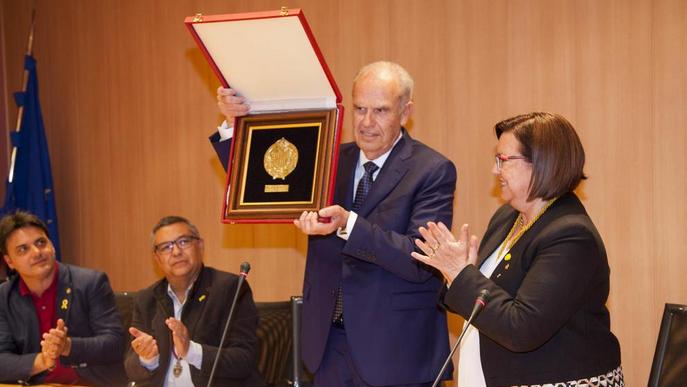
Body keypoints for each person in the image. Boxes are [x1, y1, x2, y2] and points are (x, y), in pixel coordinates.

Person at [215, 61, 456, 386]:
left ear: (405, 111)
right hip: (327, 346)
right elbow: (258, 180)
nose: (367, 122)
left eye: (381, 111)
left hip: (396, 350)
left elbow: (420, 259)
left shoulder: (432, 170)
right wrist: (234, 124)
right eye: (359, 109)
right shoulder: (328, 159)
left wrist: (349, 225)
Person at [412, 112, 623, 386]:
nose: (494, 170)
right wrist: (456, 272)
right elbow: (483, 302)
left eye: (503, 160)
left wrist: (462, 273)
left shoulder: (571, 235)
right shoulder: (507, 217)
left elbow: (521, 328)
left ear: (542, 163)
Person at [124, 215, 263, 386]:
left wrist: (191, 351)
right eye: (166, 247)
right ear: (157, 258)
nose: (176, 252)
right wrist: (148, 358)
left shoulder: (230, 288)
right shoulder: (147, 298)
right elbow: (131, 367)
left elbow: (244, 360)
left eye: (183, 242)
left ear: (200, 245)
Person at [0, 210, 127, 385]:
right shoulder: (4, 296)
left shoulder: (90, 283)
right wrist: (42, 361)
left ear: (52, 245)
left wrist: (68, 346)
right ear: (10, 262)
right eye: (23, 249)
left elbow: (115, 344)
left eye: (41, 242)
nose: (37, 252)